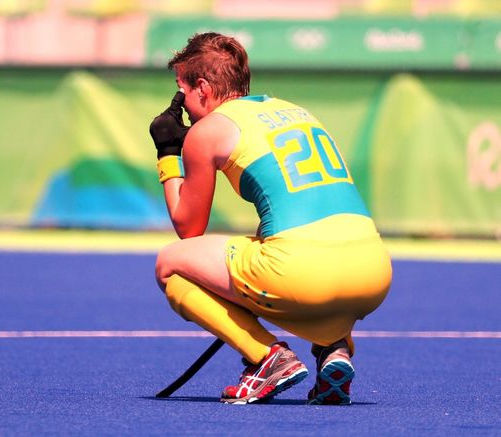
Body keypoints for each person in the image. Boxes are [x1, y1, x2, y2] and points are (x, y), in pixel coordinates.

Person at [149, 32, 392, 405]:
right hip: (374, 271)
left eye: (180, 93)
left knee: (170, 265)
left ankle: (268, 358)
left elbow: (188, 228)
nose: (182, 108)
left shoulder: (206, 132)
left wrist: (168, 152)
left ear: (202, 88)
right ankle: (334, 350)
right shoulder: (296, 111)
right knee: (278, 248)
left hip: (305, 274)